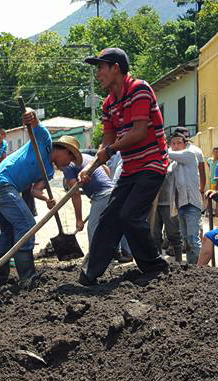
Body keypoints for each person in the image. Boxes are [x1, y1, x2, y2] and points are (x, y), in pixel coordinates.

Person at [78, 48, 170, 286]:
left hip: (152, 164)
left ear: (115, 68)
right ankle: (90, 274)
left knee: (130, 215)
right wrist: (89, 168)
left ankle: (154, 266)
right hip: (130, 168)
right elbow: (108, 141)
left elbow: (138, 133)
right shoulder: (108, 104)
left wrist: (109, 150)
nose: (98, 74)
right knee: (109, 218)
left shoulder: (139, 89)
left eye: (100, 67)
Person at [0, 109, 57, 288]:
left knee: (8, 230)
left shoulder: (50, 172)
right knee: (27, 225)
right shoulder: (45, 142)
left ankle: (1, 277)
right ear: (61, 151)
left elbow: (35, 191)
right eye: (70, 157)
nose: (69, 163)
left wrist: (47, 199)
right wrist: (31, 115)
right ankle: (27, 277)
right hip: (0, 182)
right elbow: (34, 120)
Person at [54, 136, 112, 247]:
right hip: (111, 191)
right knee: (111, 223)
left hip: (101, 195)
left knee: (93, 228)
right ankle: (120, 252)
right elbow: (105, 168)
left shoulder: (68, 165)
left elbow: (75, 193)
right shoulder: (87, 157)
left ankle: (94, 259)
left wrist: (79, 220)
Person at [167, 131, 205, 264]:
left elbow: (166, 154)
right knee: (186, 239)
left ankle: (198, 268)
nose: (176, 146)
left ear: (185, 144)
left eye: (179, 143)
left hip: (192, 204)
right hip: (181, 205)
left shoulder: (189, 155)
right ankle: (191, 266)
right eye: (173, 143)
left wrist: (159, 149)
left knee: (193, 239)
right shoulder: (173, 165)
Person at [152, 156, 182, 260]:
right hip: (155, 204)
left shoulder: (174, 165)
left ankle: (179, 260)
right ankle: (158, 260)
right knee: (155, 234)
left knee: (173, 233)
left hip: (169, 203)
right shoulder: (152, 163)